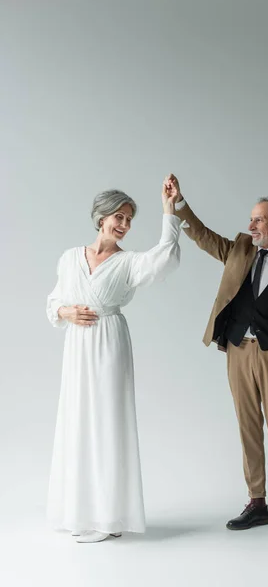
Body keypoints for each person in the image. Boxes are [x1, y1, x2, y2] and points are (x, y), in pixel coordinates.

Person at [167, 174, 268, 535]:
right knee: (248, 427)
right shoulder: (239, 249)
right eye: (251, 218)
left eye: (258, 219)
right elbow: (203, 235)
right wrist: (179, 203)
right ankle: (256, 504)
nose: (250, 224)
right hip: (238, 351)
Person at [46, 180, 181, 543]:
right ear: (101, 218)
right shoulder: (69, 257)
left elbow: (165, 256)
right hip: (77, 346)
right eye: (119, 217)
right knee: (78, 421)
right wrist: (65, 310)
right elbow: (53, 302)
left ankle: (110, 516)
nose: (124, 224)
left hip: (109, 342)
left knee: (108, 422)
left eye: (130, 219)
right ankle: (81, 512)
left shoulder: (128, 262)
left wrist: (168, 209)